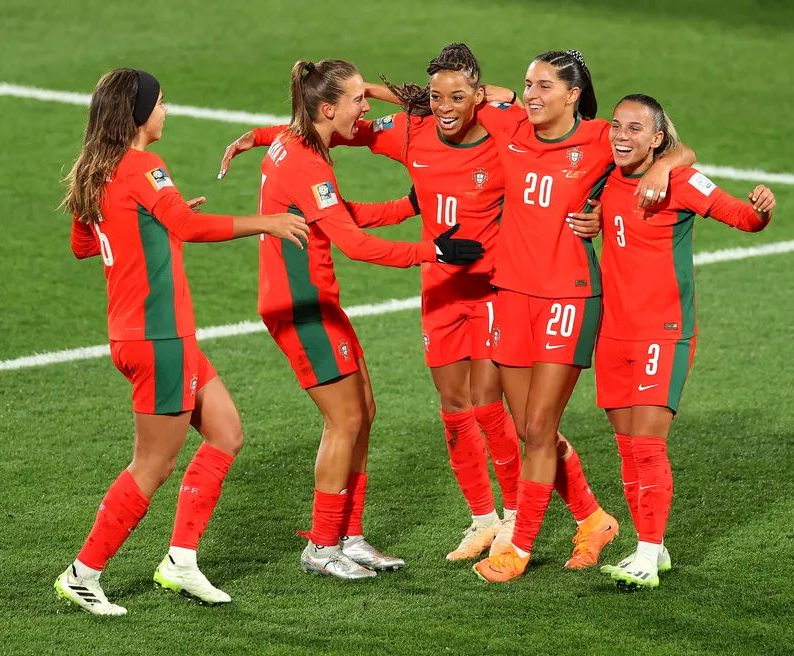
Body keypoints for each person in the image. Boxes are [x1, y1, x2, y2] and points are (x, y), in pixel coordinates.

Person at [219, 45, 600, 563]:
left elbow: (566, 170)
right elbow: (329, 127)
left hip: (493, 288)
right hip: (439, 291)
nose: (445, 107)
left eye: (458, 97)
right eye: (436, 97)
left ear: (477, 97)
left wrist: (591, 213)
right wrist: (266, 135)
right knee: (454, 409)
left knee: (495, 410)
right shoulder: (411, 133)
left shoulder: (506, 136)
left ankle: (517, 519)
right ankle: (483, 519)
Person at [55, 68, 308, 616]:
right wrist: (265, 221)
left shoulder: (95, 172)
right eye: (161, 103)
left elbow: (85, 243)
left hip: (145, 333)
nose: (166, 111)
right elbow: (188, 230)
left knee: (226, 433)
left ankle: (181, 561)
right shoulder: (145, 166)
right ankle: (83, 572)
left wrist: (154, 223)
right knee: (153, 465)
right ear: (138, 114)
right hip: (158, 337)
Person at [220, 58, 484, 579]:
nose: (367, 109)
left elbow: (337, 213)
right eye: (359, 99)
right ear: (327, 108)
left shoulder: (301, 143)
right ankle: (321, 545)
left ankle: (351, 536)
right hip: (299, 307)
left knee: (364, 409)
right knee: (343, 418)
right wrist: (432, 252)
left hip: (317, 300)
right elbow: (355, 244)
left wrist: (405, 207)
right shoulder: (306, 163)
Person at [470, 50, 698, 583]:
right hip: (512, 292)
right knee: (528, 427)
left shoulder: (601, 137)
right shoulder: (510, 122)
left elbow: (676, 145)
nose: (531, 94)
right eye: (528, 84)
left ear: (573, 94)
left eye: (544, 86)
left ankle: (518, 548)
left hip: (569, 298)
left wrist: (664, 165)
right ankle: (593, 519)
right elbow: (445, 98)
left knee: (539, 426)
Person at [596, 94, 774, 589]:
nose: (621, 136)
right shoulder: (604, 174)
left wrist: (760, 210)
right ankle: (652, 544)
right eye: (617, 126)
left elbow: (742, 218)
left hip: (663, 333)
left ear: (656, 139)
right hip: (612, 332)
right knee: (628, 448)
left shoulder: (678, 180)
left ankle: (647, 557)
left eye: (636, 129)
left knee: (649, 446)